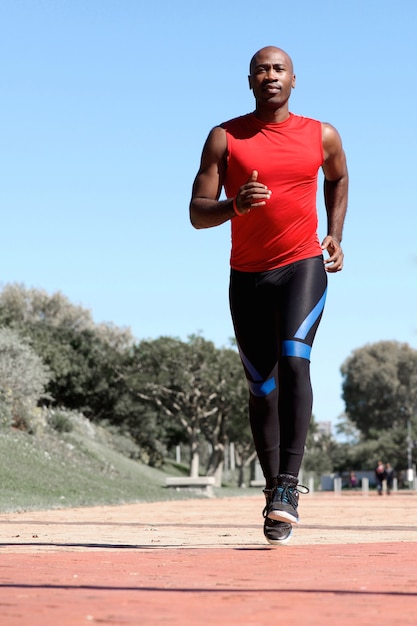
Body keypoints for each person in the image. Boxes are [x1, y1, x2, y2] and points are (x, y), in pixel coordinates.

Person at [189, 46, 348, 545]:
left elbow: (339, 177)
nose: (270, 75)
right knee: (261, 386)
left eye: (279, 68)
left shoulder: (321, 134)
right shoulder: (224, 138)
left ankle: (288, 486)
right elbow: (197, 211)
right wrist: (233, 205)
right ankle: (271, 487)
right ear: (250, 80)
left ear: (294, 80)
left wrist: (336, 232)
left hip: (302, 265)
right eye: (262, 69)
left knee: (295, 361)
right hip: (247, 276)